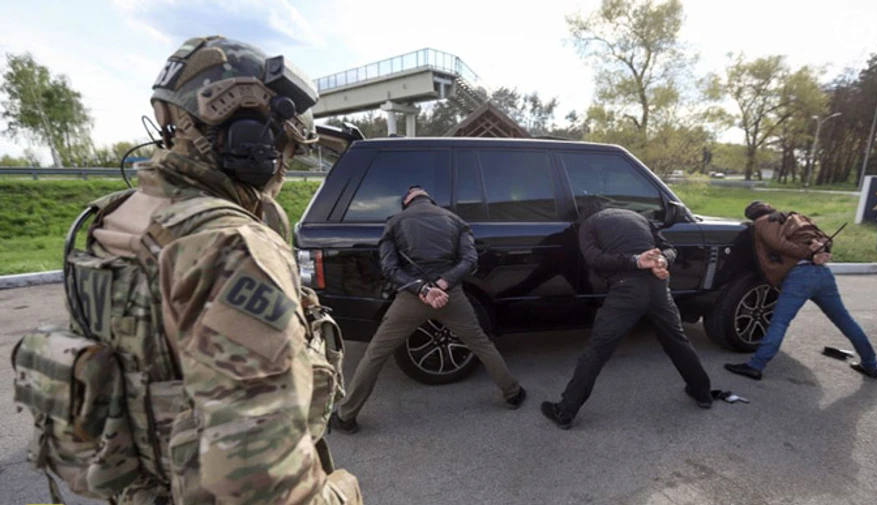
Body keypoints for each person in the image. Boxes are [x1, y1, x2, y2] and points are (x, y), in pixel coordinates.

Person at [20, 36, 362, 505]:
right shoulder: (228, 247)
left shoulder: (114, 216)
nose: (282, 165)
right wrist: (342, 494)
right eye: (282, 145)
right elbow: (262, 488)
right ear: (250, 135)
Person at [331, 185, 526, 434]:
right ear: (430, 200)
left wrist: (423, 290)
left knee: (376, 354)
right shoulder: (456, 221)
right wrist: (443, 283)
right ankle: (514, 393)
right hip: (450, 296)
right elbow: (470, 260)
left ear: (406, 201)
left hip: (411, 298)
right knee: (481, 343)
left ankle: (346, 417)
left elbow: (389, 268)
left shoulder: (395, 222)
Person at [541, 204, 713, 430]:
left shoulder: (588, 225)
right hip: (659, 288)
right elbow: (670, 249)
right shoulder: (638, 217)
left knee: (597, 350)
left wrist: (635, 261)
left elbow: (595, 258)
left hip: (626, 290)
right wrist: (663, 261)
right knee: (677, 341)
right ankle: (702, 393)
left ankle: (565, 411)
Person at [724, 201, 877, 381]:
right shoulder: (795, 217)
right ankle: (871, 365)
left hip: (799, 276)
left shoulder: (764, 221)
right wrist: (819, 251)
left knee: (779, 323)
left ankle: (755, 366)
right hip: (823, 275)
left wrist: (806, 252)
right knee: (845, 321)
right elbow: (824, 239)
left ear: (753, 215)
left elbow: (778, 245)